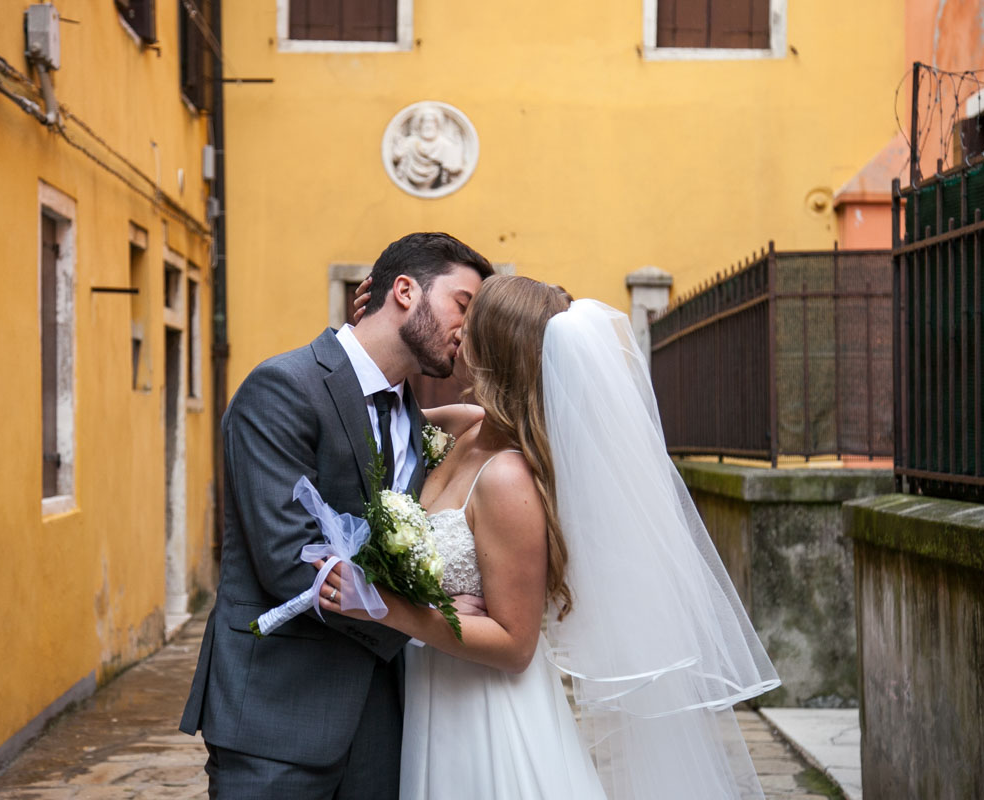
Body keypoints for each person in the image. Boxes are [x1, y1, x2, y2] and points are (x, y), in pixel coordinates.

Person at [319, 275, 781, 799]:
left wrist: (385, 606)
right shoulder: (468, 427)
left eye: (470, 318)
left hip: (487, 711)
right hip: (436, 688)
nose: (458, 327)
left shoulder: (508, 477)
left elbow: (516, 645)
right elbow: (366, 415)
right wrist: (372, 328)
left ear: (492, 347)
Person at [179, 232, 493, 798]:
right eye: (462, 306)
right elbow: (290, 561)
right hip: (279, 712)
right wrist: (427, 612)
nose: (466, 330)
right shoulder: (283, 387)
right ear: (404, 291)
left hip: (384, 719)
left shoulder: (418, 419)